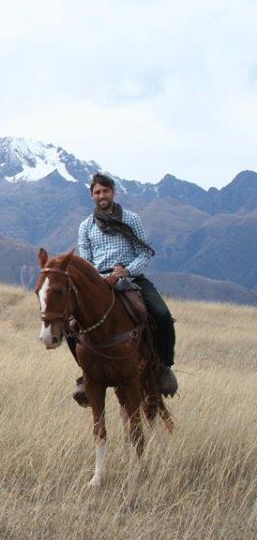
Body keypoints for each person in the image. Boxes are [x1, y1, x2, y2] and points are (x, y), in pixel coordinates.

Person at [71, 171, 177, 405]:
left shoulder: (131, 219)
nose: (102, 195)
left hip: (132, 278)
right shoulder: (85, 226)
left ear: (113, 192)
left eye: (105, 191)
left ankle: (163, 367)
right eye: (97, 192)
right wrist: (100, 278)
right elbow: (86, 260)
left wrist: (126, 271)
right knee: (71, 323)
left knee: (162, 314)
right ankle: (85, 374)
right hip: (98, 282)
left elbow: (145, 252)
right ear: (92, 196)